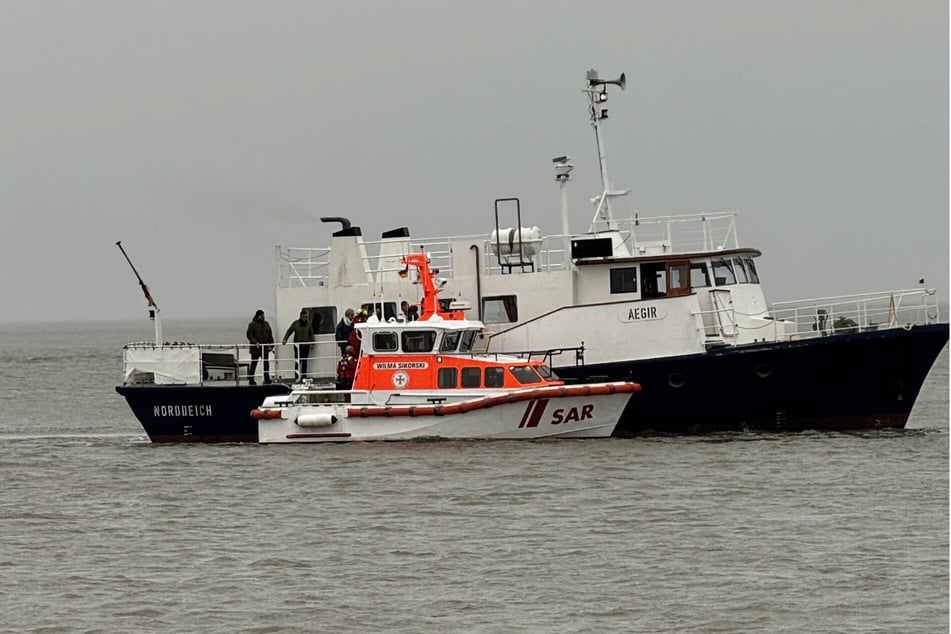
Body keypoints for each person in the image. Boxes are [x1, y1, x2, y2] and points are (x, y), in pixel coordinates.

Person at [282, 309, 314, 380]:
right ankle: (296, 376)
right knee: (297, 361)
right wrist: (285, 339)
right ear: (301, 316)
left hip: (306, 345)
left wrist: (312, 343)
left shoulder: (309, 324)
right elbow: (289, 331)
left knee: (305, 361)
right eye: (305, 317)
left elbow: (311, 334)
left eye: (307, 317)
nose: (306, 318)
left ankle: (304, 377)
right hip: (297, 346)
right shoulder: (295, 323)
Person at [246, 309, 274, 384]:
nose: (263, 317)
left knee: (266, 363)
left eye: (263, 315)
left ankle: (267, 379)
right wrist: (255, 342)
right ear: (257, 316)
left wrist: (272, 345)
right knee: (254, 363)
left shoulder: (266, 324)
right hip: (255, 348)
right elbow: (249, 335)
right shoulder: (252, 324)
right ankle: (251, 379)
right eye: (261, 316)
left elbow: (270, 335)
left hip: (264, 347)